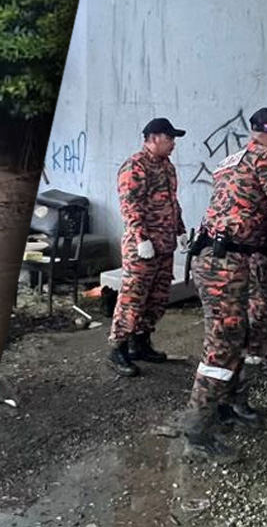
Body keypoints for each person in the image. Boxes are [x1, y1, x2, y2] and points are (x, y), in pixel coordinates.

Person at [180, 107, 267, 463]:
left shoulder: (230, 160)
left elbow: (250, 208)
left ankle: (224, 406)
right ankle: (196, 432)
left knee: (235, 338)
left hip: (220, 257)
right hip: (223, 261)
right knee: (222, 344)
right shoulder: (265, 159)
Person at [107, 118, 187, 377]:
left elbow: (172, 203)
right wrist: (142, 239)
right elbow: (130, 207)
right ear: (153, 138)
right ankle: (117, 348)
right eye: (170, 138)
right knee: (133, 297)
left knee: (157, 298)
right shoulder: (135, 166)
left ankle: (141, 342)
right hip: (142, 247)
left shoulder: (167, 167)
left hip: (164, 244)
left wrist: (181, 230)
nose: (173, 144)